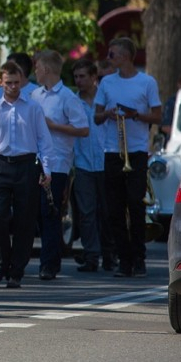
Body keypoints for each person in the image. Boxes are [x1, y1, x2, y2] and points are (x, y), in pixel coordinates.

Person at [0, 61, 54, 289]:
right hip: (1, 165)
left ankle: (16, 270)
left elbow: (44, 141)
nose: (13, 87)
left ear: (22, 81)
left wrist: (46, 169)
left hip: (27, 165)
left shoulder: (33, 108)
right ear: (2, 82)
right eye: (8, 83)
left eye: (17, 83)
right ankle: (2, 260)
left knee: (25, 220)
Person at [94, 37, 161, 277]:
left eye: (112, 54)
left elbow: (156, 116)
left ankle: (138, 257)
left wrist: (135, 115)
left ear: (125, 56)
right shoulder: (107, 83)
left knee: (135, 204)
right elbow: (97, 116)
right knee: (114, 209)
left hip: (136, 151)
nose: (109, 58)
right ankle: (124, 260)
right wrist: (107, 114)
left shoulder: (146, 82)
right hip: (113, 151)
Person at [31, 50, 89, 280]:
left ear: (46, 69)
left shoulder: (68, 97)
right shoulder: (35, 95)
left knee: (50, 213)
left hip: (56, 163)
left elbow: (83, 129)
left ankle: (49, 264)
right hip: (33, 161)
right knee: (32, 213)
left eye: (37, 68)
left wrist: (54, 126)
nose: (35, 72)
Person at [71, 59, 109, 272]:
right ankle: (91, 255)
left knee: (107, 211)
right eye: (76, 77)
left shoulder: (106, 99)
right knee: (86, 211)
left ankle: (110, 253)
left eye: (83, 76)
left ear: (94, 77)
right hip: (83, 162)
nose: (78, 81)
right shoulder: (73, 101)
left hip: (106, 162)